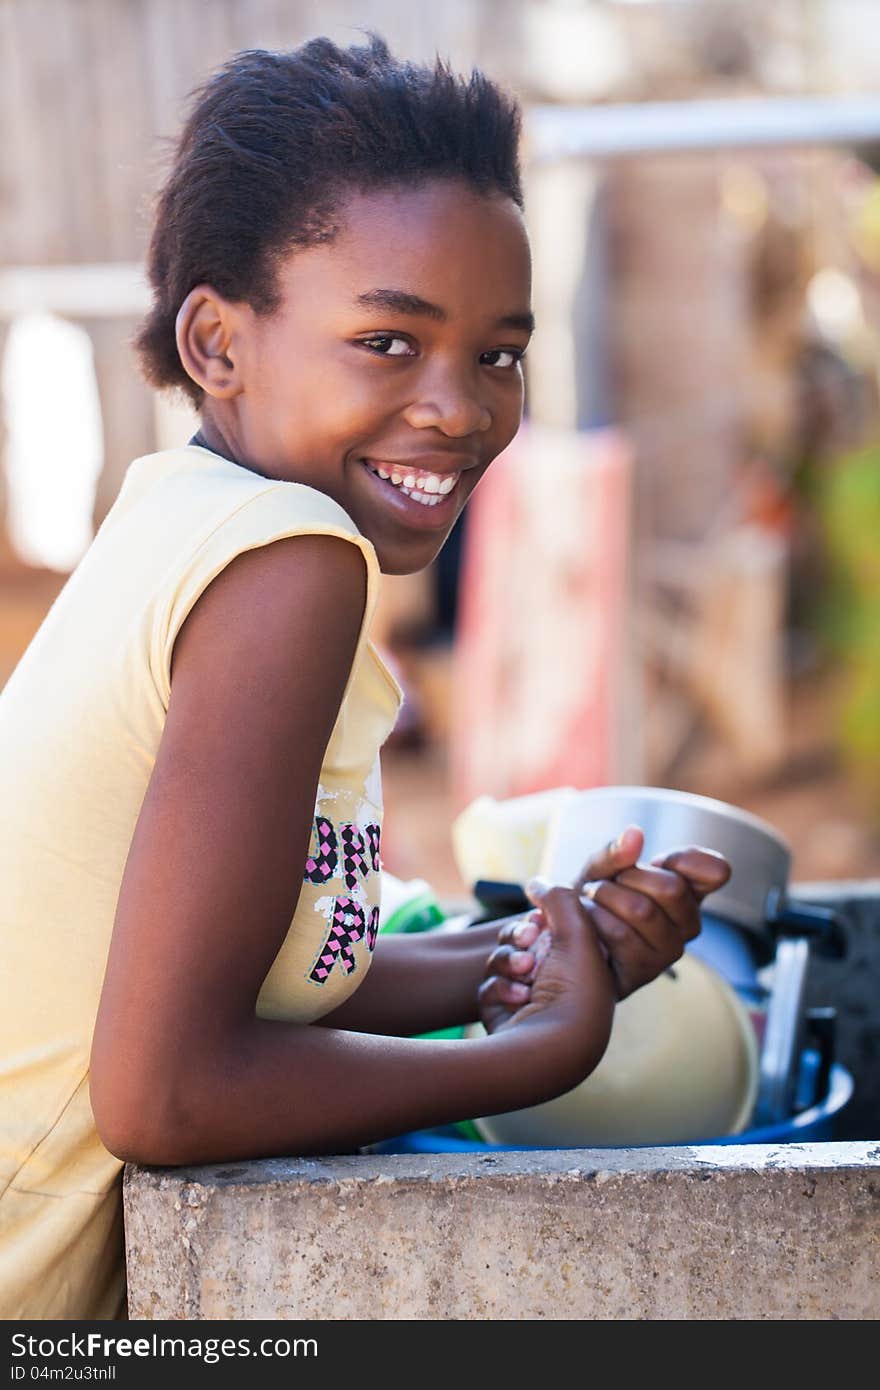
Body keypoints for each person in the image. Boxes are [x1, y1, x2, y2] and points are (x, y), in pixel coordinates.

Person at [0, 35, 730, 1321]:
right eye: (391, 342)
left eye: (498, 354)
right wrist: (525, 1057)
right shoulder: (290, 566)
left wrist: (534, 948)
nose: (458, 408)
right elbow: (166, 1092)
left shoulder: (187, 515)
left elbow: (257, 971)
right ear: (218, 343)